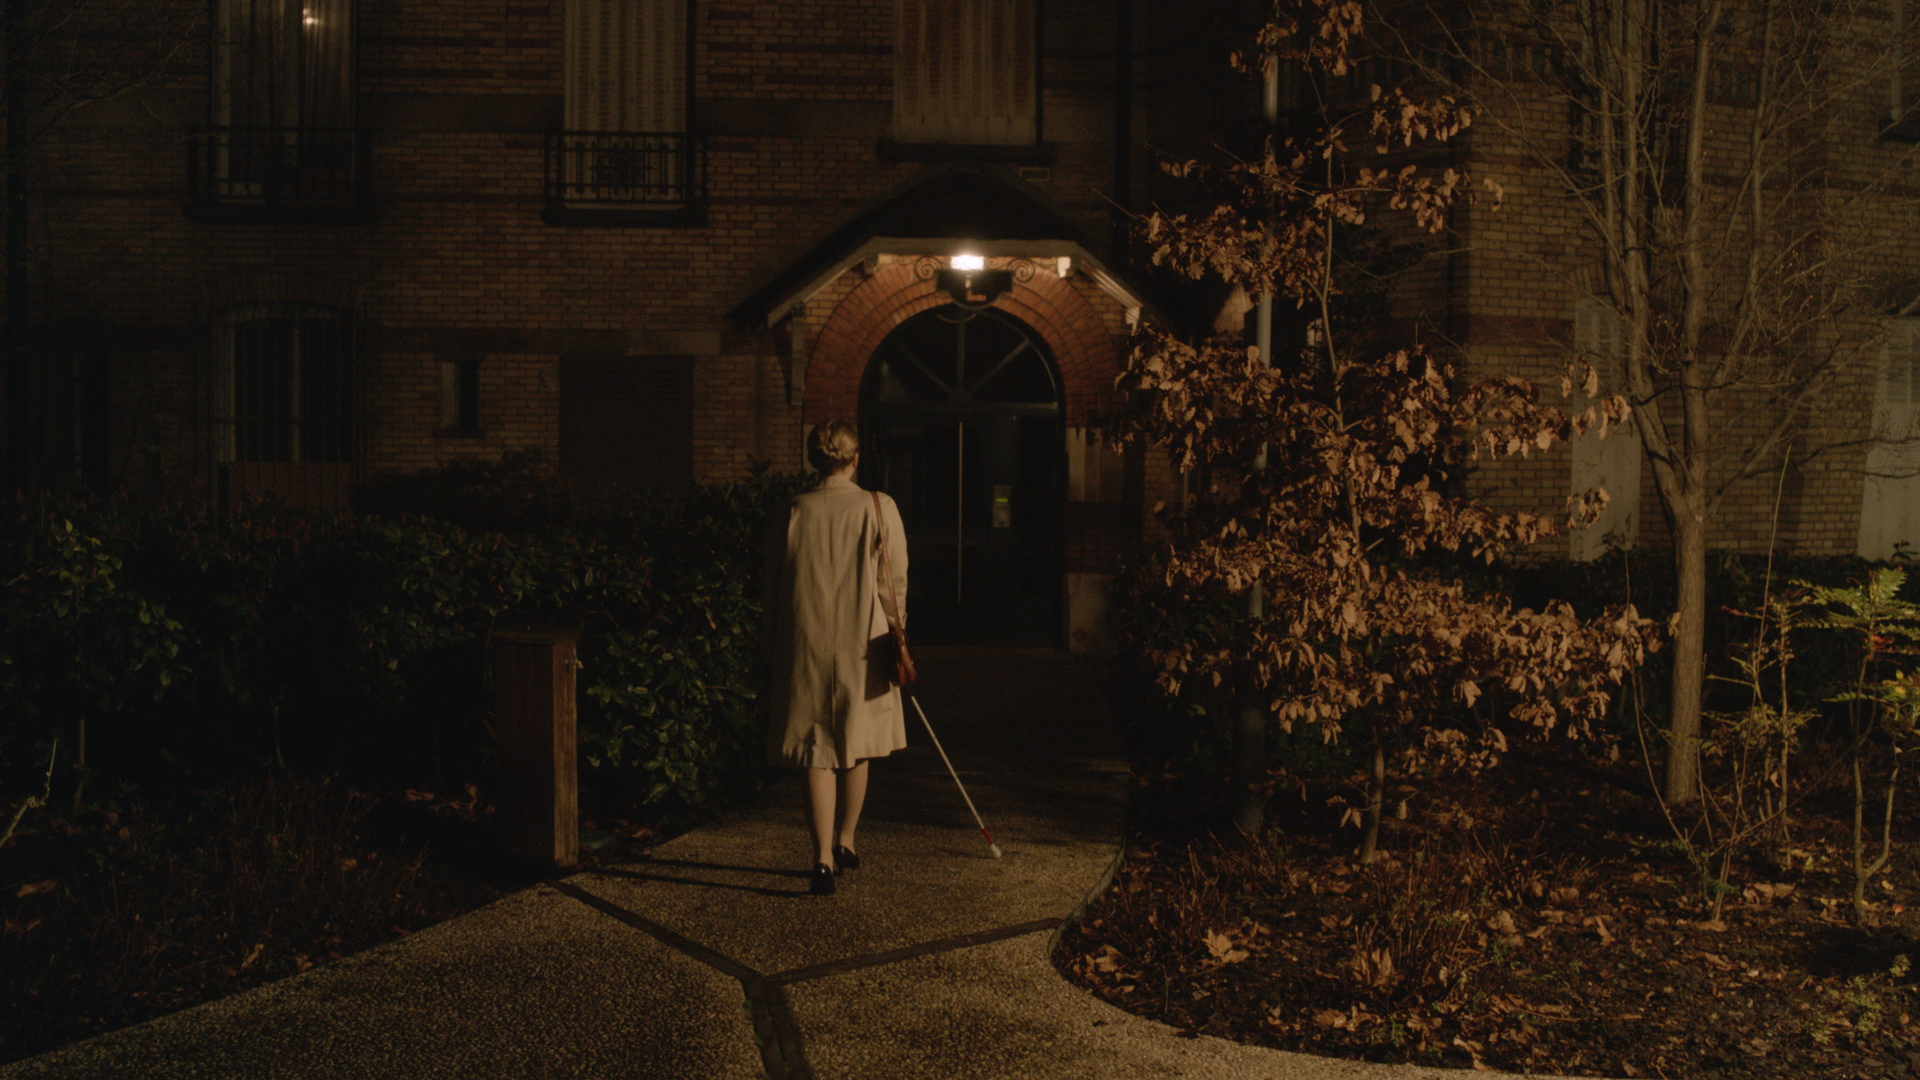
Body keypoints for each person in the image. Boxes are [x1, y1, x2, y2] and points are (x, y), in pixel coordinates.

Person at [764, 419, 909, 896]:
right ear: (855, 458)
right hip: (862, 640)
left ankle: (821, 858)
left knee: (815, 746)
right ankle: (846, 838)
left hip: (805, 639)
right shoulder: (877, 506)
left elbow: (772, 582)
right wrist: (898, 629)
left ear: (815, 459)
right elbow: (893, 581)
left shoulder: (792, 510)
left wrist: (772, 639)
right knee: (856, 740)